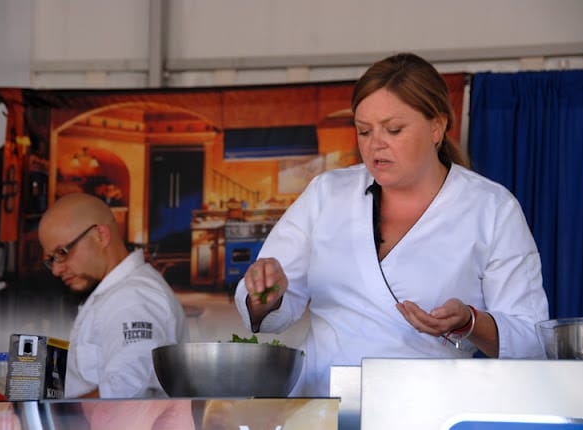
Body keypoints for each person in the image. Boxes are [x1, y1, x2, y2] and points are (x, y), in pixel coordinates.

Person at [234, 52, 549, 397]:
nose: (375, 144)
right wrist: (266, 293)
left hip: (425, 408)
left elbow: (531, 337)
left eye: (394, 129)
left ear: (437, 127)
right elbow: (272, 309)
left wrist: (470, 322)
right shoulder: (327, 194)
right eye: (364, 131)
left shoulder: (491, 209)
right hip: (323, 404)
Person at [38, 192, 188, 399]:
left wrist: (50, 416)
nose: (56, 270)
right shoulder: (114, 293)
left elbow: (127, 394)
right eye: (51, 260)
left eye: (62, 253)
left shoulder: (132, 298)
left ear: (100, 235)